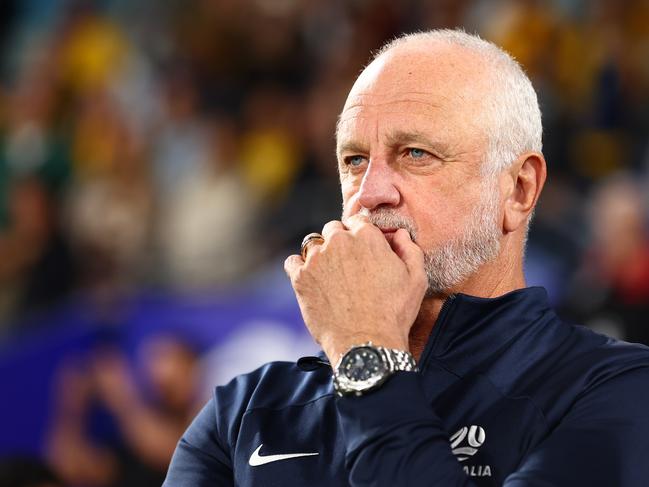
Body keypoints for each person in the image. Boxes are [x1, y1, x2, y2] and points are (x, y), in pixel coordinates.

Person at [163, 29, 649, 486]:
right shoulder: (244, 412)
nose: (369, 194)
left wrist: (365, 351)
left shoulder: (616, 390)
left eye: (415, 154)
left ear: (518, 189)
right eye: (354, 160)